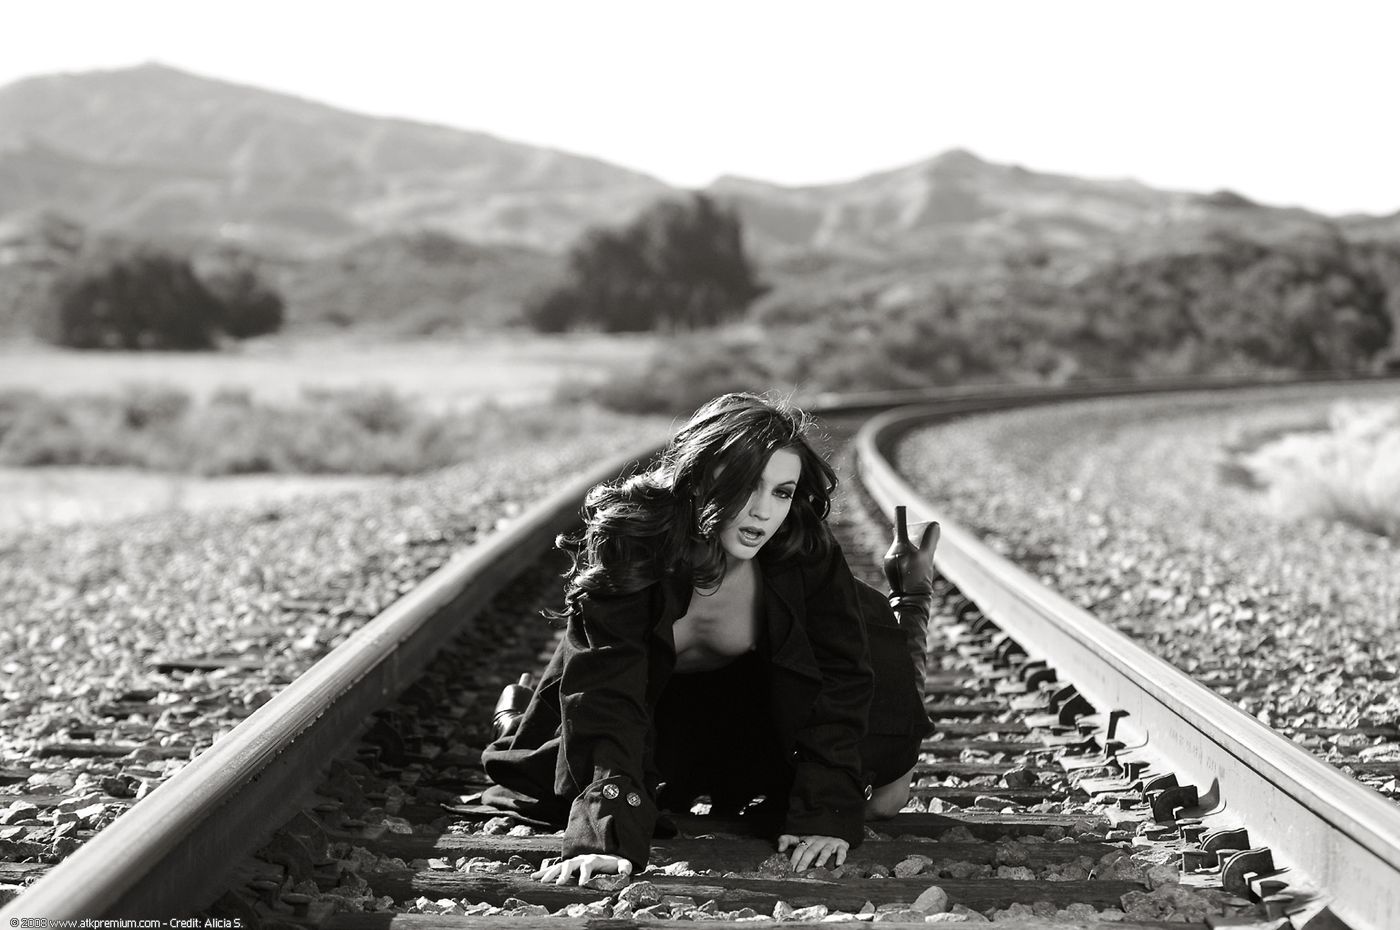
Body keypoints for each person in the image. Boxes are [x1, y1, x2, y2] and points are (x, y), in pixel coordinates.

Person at [481, 392, 939, 886]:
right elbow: (605, 695)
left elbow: (843, 672)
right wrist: (607, 837)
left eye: (781, 492)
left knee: (882, 803)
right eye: (746, 486)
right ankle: (515, 717)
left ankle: (910, 604)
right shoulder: (635, 542)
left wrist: (825, 810)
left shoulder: (799, 544)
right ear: (699, 477)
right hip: (655, 705)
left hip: (756, 705)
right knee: (553, 792)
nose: (763, 513)